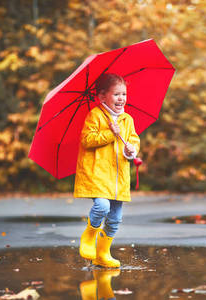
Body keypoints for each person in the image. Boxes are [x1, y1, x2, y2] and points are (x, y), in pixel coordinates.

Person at [74, 73, 140, 268]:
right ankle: (89, 236)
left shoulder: (127, 119)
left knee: (115, 219)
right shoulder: (95, 115)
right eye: (116, 94)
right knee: (102, 207)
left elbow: (134, 139)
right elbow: (87, 140)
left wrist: (131, 148)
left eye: (124, 94)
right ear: (102, 96)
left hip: (118, 178)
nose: (121, 99)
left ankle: (102, 253)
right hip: (98, 174)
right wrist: (111, 133)